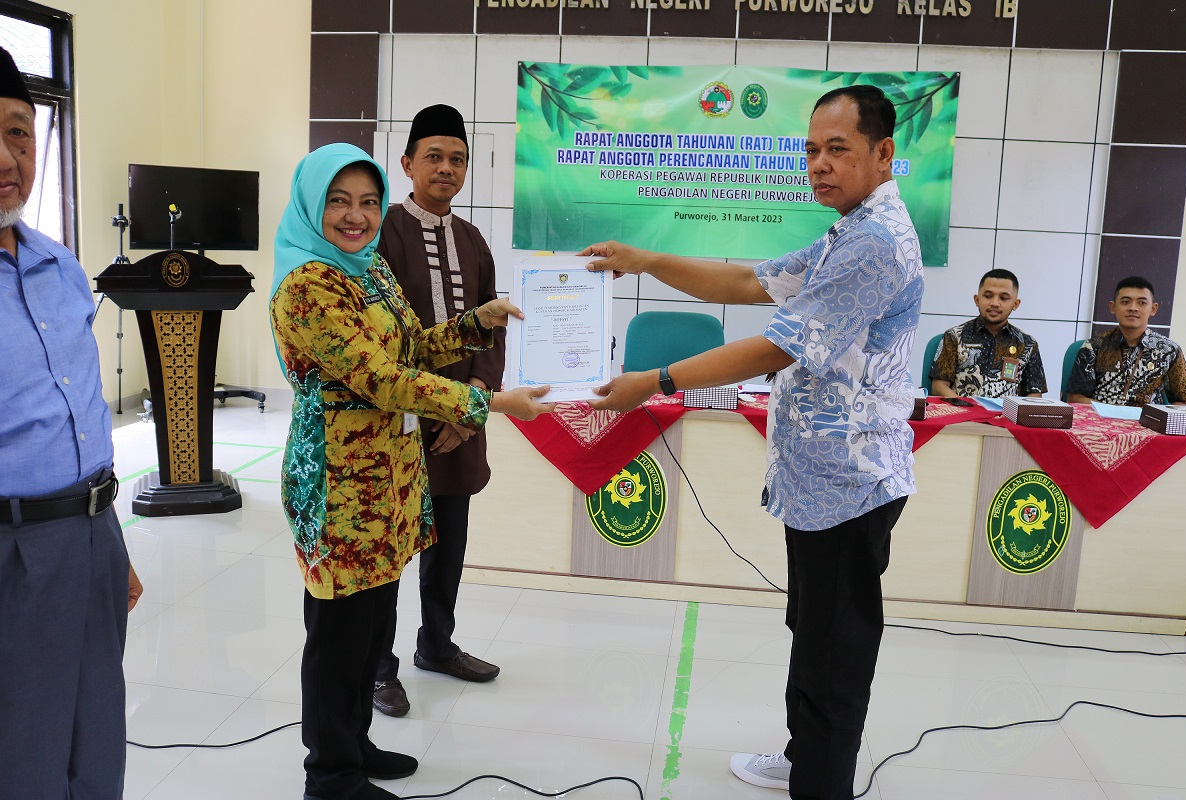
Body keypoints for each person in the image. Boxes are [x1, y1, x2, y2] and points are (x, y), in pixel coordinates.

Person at [582, 85, 922, 800]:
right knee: (816, 633)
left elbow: (776, 348)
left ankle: (820, 782)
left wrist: (657, 379)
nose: (819, 165)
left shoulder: (873, 241)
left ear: (883, 153)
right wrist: (646, 260)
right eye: (811, 149)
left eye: (838, 150)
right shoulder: (847, 229)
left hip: (850, 485)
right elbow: (747, 280)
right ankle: (806, 761)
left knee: (836, 655)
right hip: (822, 483)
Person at [269, 143, 553, 800]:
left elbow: (414, 347)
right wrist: (489, 403)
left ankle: (357, 745)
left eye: (367, 202)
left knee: (372, 626)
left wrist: (475, 324)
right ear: (313, 205)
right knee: (338, 636)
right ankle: (330, 775)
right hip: (339, 482)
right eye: (338, 201)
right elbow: (382, 378)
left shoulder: (369, 271)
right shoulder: (309, 285)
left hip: (389, 478)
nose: (355, 216)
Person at [0, 46, 143, 800]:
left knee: (96, 742)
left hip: (90, 534)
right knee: (23, 752)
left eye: (21, 132)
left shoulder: (57, 265)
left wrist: (108, 541)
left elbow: (80, 422)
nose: (8, 157)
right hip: (12, 546)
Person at [371, 105, 503, 719]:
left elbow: (490, 332)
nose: (446, 169)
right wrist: (430, 408)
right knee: (390, 545)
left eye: (457, 159)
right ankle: (378, 666)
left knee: (448, 541)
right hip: (397, 421)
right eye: (434, 157)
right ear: (407, 164)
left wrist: (468, 411)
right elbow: (380, 339)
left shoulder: (473, 241)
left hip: (460, 425)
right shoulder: (383, 234)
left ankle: (437, 645)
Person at [1065, 276, 1186, 406]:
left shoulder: (1169, 351)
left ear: (1153, 309)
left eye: (1142, 302)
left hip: (1147, 423)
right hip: (1100, 421)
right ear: (1113, 307)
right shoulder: (1093, 347)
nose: (1133, 308)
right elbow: (1076, 398)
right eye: (1125, 302)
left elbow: (1183, 402)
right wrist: (1112, 411)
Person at [928, 268, 1046, 398]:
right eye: (988, 296)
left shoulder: (1028, 344)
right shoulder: (954, 336)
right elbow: (939, 386)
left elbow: (1034, 394)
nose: (995, 303)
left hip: (1008, 416)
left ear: (1015, 304)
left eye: (1004, 298)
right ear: (977, 300)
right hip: (962, 414)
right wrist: (964, 408)